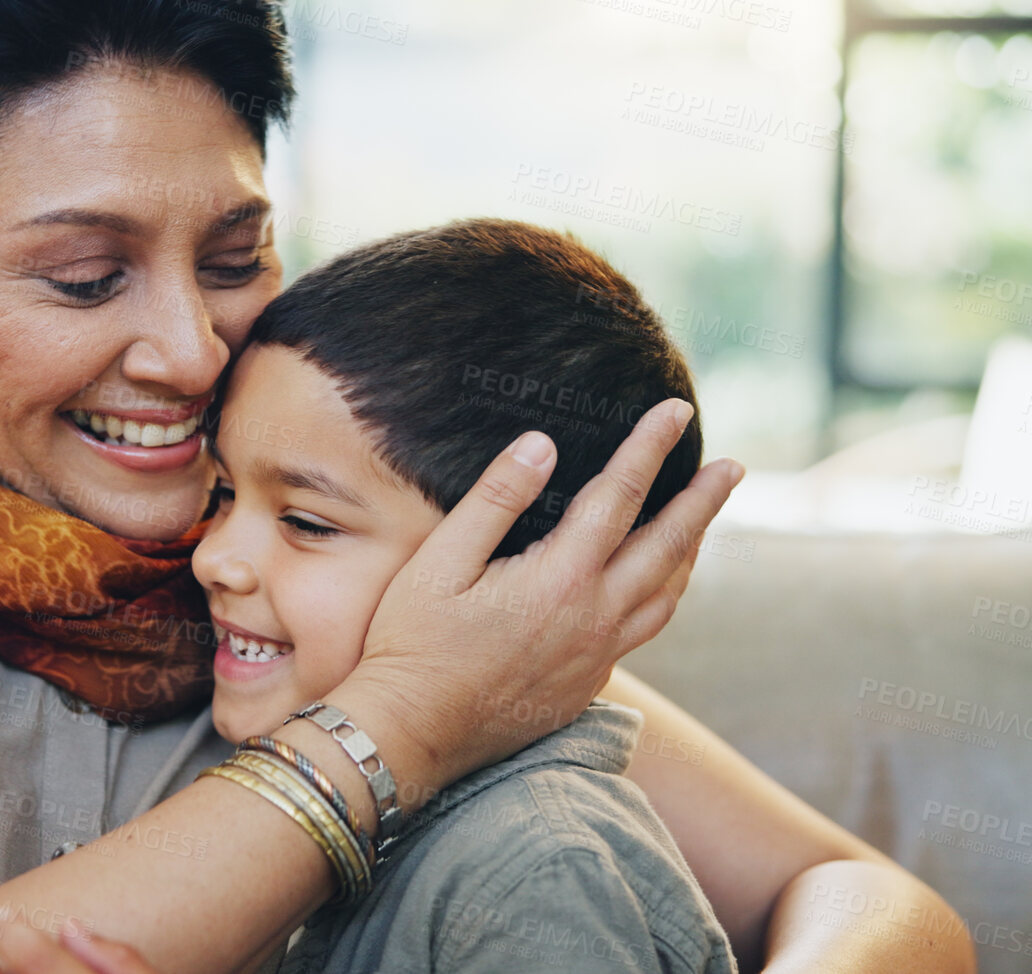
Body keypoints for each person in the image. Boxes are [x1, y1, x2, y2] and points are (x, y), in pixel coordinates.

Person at [0, 0, 975, 973]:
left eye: (236, 251)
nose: (190, 348)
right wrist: (398, 722)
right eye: (85, 276)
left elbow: (877, 905)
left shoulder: (306, 560)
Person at [193, 219, 736, 973]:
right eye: (220, 491)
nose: (213, 556)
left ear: (533, 587)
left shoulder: (536, 871)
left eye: (307, 523)